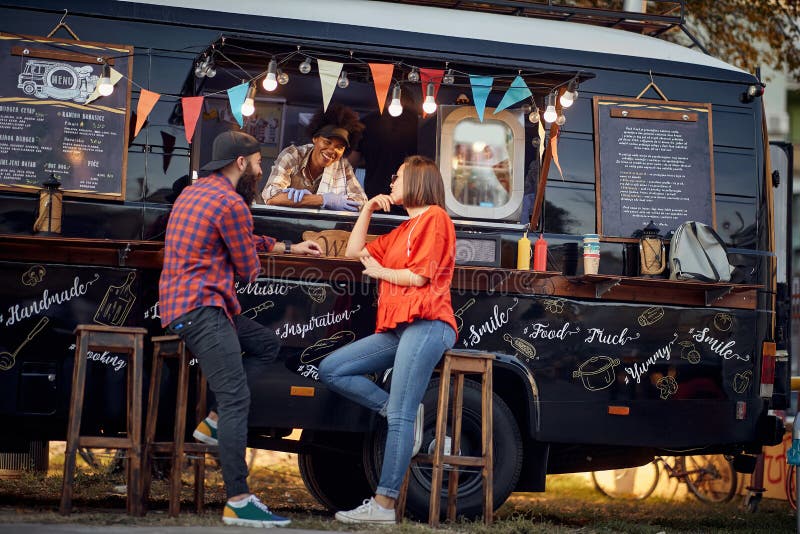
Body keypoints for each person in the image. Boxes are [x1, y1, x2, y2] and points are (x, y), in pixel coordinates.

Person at [159, 130, 321, 528]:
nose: (262, 167)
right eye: (258, 160)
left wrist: (287, 247)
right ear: (241, 163)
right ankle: (238, 500)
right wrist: (261, 251)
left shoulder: (194, 192)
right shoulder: (232, 203)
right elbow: (248, 269)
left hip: (186, 305)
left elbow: (241, 239)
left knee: (265, 343)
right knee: (236, 400)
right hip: (203, 308)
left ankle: (213, 423)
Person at [318, 155, 458, 525]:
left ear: (417, 180)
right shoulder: (402, 229)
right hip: (399, 327)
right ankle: (402, 415)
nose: (391, 182)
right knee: (332, 368)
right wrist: (365, 208)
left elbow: (422, 278)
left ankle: (383, 505)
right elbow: (353, 252)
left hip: (428, 323)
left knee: (400, 415)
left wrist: (381, 272)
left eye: (397, 177)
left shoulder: (436, 219)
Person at [261, 104, 367, 211]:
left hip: (324, 227)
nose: (331, 151)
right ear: (315, 138)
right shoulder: (293, 155)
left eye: (339, 147)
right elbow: (271, 196)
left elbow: (361, 202)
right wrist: (322, 200)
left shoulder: (342, 166)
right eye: (327, 142)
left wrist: (297, 200)